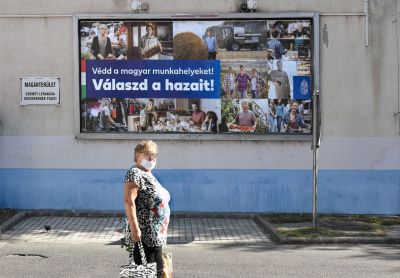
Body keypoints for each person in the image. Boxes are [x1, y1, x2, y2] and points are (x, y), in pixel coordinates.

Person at [123, 140, 171, 278]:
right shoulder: (135, 173)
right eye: (147, 154)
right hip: (145, 234)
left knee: (157, 273)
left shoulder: (148, 174)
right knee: (146, 273)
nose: (151, 158)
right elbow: (128, 201)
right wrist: (134, 228)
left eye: (154, 155)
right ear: (137, 155)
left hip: (155, 235)